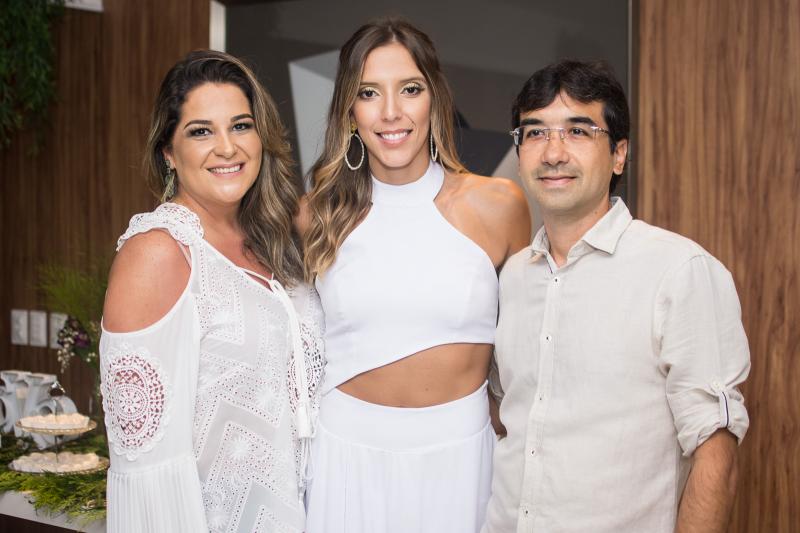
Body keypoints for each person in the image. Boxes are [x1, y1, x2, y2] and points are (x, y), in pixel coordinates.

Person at [485, 59, 751, 533]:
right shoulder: (512, 278)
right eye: (535, 132)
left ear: (619, 155)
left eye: (578, 131)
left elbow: (716, 451)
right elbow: (506, 417)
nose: (553, 153)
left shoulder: (678, 270)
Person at [299, 17, 531, 533]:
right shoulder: (315, 216)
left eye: (409, 89)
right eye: (368, 93)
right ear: (349, 111)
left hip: (462, 462)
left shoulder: (498, 204)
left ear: (434, 99)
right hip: (344, 460)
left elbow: (529, 351)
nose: (391, 112)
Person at [100, 50, 324, 533]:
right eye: (201, 131)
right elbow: (143, 462)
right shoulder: (158, 252)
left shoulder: (277, 241)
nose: (227, 148)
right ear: (168, 151)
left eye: (241, 126)